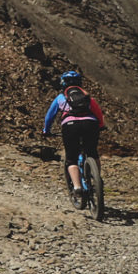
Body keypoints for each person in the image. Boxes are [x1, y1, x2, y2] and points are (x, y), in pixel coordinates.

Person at [42, 70, 105, 204]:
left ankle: (77, 187)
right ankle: (96, 179)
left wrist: (46, 130)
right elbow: (98, 112)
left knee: (71, 158)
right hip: (90, 124)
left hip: (70, 126)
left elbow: (49, 116)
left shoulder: (60, 98)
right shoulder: (86, 96)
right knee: (92, 152)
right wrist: (100, 125)